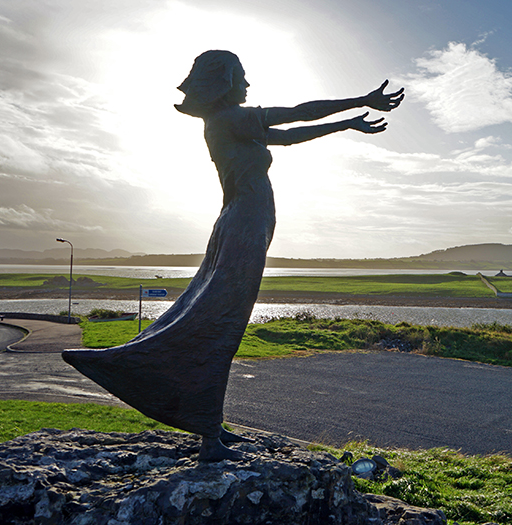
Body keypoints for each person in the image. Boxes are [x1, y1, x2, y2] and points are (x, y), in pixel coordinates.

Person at [63, 50, 403, 460]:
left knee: (215, 317)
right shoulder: (229, 120)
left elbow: (291, 135)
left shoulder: (231, 125)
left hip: (243, 221)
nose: (247, 85)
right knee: (219, 322)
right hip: (244, 222)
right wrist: (358, 101)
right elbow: (296, 113)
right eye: (241, 78)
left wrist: (347, 124)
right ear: (223, 83)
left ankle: (209, 422)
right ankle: (205, 434)